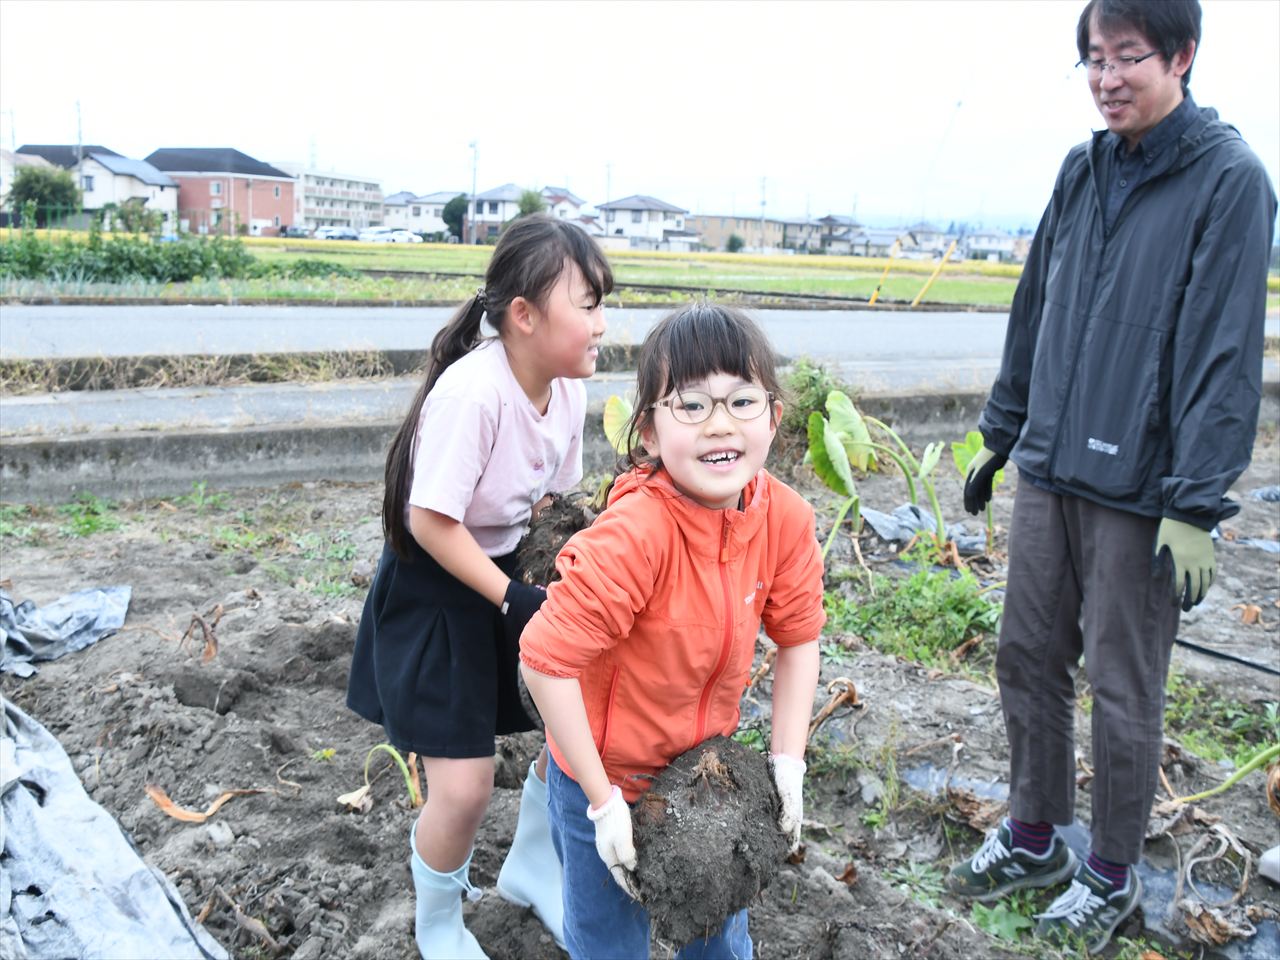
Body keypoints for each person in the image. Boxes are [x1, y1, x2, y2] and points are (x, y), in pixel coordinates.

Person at [947, 0, 1277, 953]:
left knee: (1125, 688)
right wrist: (1001, 432)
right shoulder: (1082, 168)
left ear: (1180, 55)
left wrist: (1199, 505)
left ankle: (1113, 875)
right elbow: (1035, 305)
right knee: (1026, 658)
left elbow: (1223, 356)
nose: (1106, 77)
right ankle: (1038, 835)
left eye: (1126, 56)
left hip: (1144, 489)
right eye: (1093, 58)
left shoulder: (1230, 181)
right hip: (1052, 464)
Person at [520, 302, 827, 959]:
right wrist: (601, 805)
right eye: (691, 406)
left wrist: (788, 761)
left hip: (704, 782)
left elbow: (799, 637)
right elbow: (545, 660)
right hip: (605, 777)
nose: (721, 424)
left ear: (773, 417)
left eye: (742, 401)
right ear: (651, 433)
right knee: (607, 946)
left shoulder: (786, 521)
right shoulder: (638, 535)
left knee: (720, 947)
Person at [346, 214, 613, 958]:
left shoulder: (566, 391)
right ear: (523, 316)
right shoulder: (474, 394)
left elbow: (552, 507)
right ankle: (437, 922)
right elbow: (430, 522)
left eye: (602, 303)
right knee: (462, 789)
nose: (602, 322)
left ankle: (531, 866)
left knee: (569, 735)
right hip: (437, 592)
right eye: (587, 303)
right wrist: (512, 599)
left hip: (504, 580)